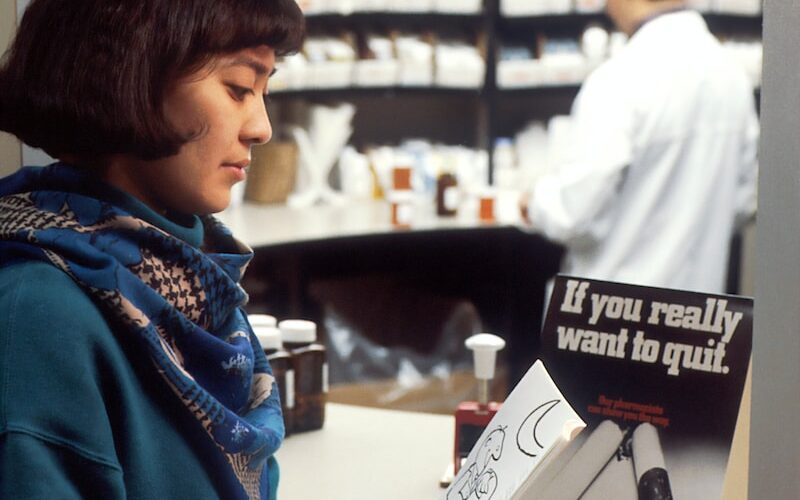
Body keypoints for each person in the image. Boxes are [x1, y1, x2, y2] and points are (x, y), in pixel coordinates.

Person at [0, 1, 304, 498]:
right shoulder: (38, 317)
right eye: (239, 89)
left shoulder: (190, 283)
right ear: (131, 76)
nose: (261, 128)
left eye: (264, 92)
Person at [521, 0, 759, 294]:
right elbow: (744, 202)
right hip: (699, 317)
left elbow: (574, 215)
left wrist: (535, 202)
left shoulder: (619, 80)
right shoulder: (732, 77)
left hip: (615, 319)